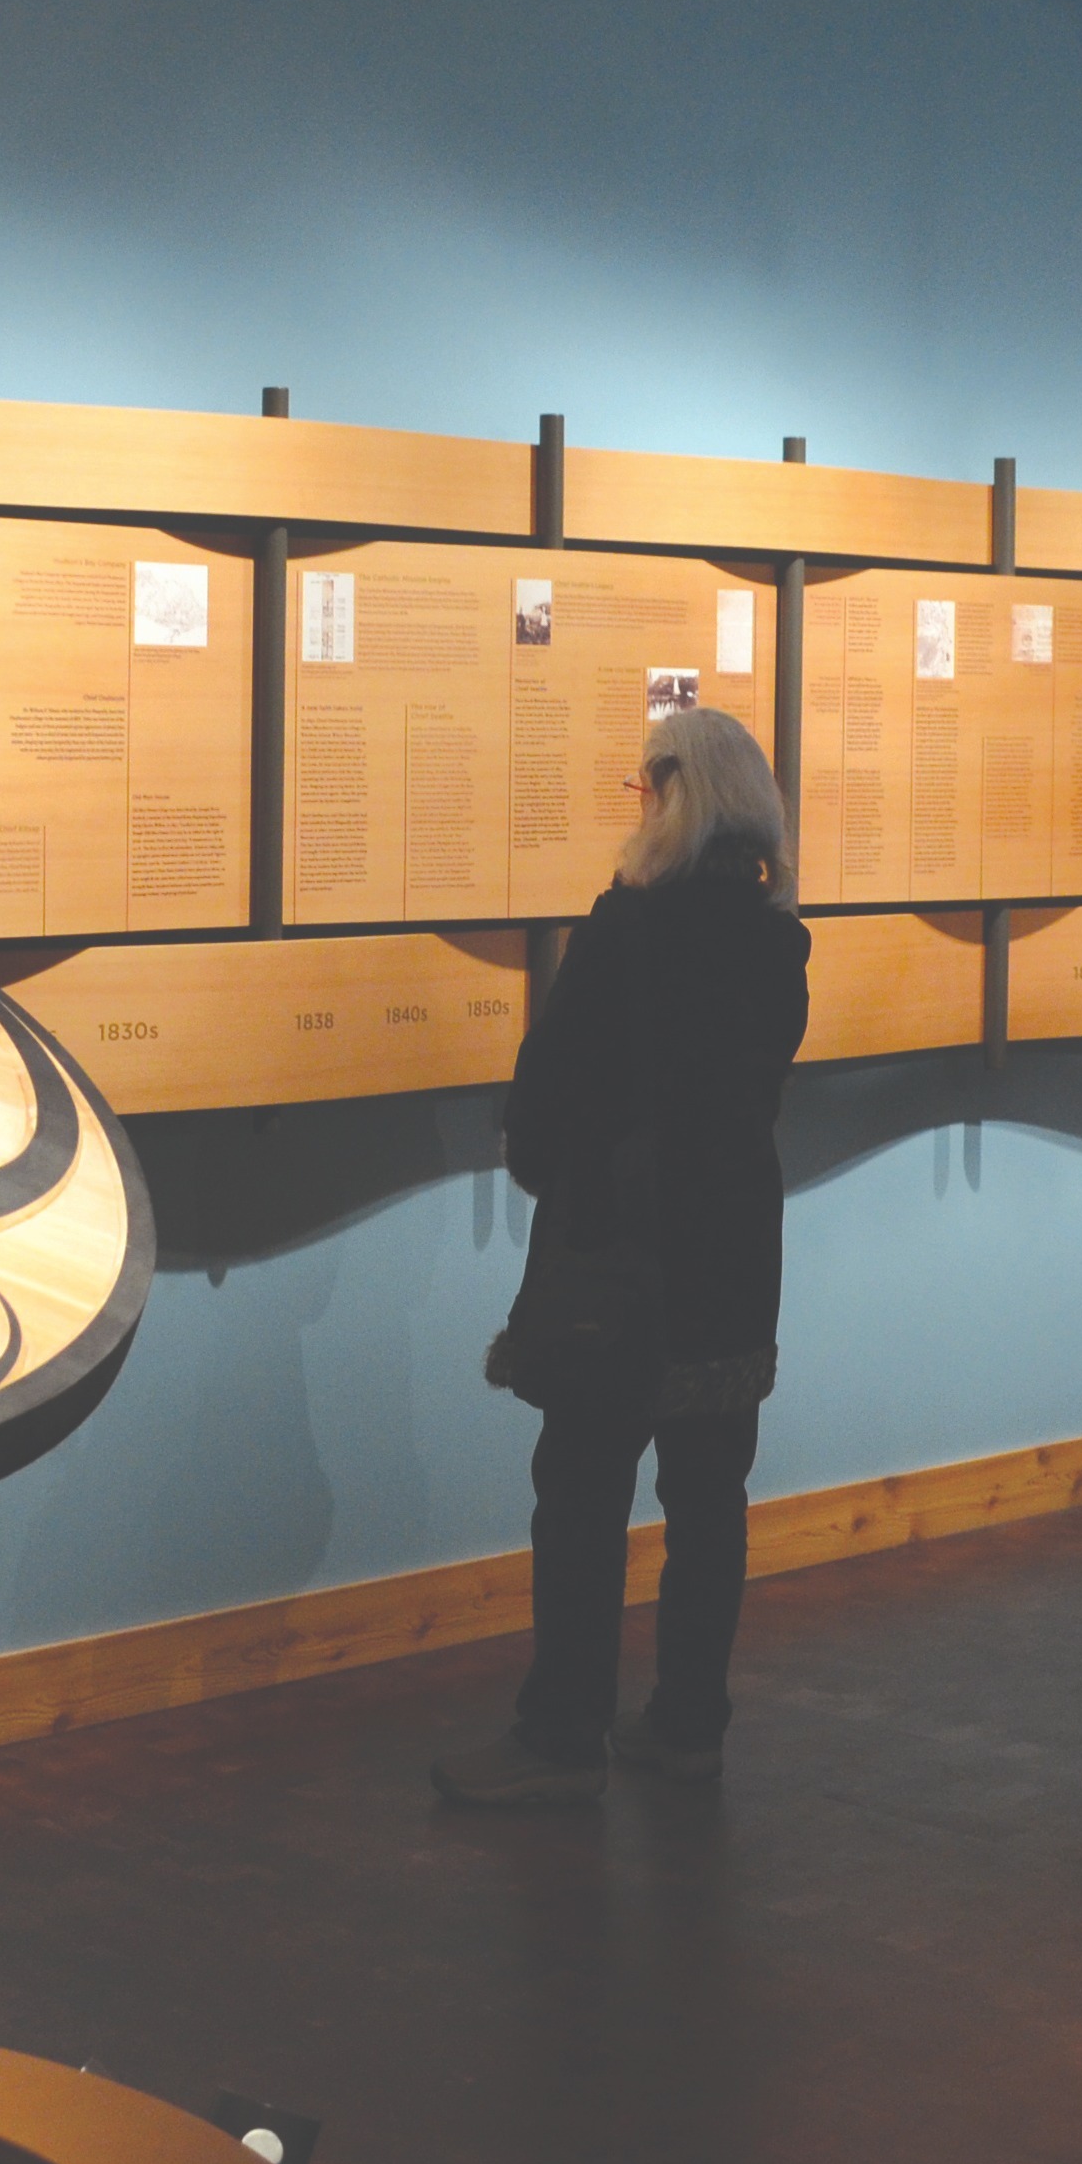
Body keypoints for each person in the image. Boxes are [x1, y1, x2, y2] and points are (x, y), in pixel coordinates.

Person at [439, 703, 811, 1808]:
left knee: (583, 1494)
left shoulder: (625, 933)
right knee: (708, 1497)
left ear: (669, 797)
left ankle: (562, 1733)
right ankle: (689, 1723)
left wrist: (559, 1167)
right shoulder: (773, 941)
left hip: (621, 1253)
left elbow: (545, 1101)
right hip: (731, 1254)